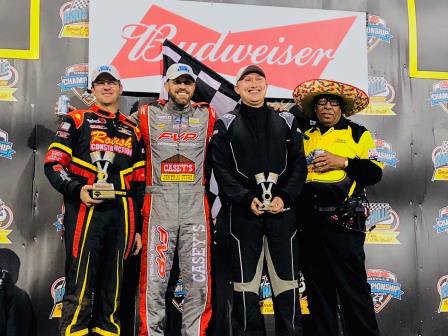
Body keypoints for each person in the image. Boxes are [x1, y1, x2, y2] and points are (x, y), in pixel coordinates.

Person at [44, 65, 145, 336]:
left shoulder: (133, 129)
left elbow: (139, 182)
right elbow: (53, 164)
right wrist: (77, 190)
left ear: (121, 88)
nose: (106, 87)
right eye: (100, 83)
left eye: (111, 82)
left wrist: (137, 228)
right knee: (79, 284)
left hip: (122, 213)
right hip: (86, 210)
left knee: (113, 291)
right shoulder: (76, 120)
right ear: (93, 89)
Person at [210, 64, 307, 335]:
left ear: (266, 85)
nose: (254, 84)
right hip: (243, 217)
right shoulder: (225, 122)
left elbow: (299, 165)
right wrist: (244, 198)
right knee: (245, 289)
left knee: (287, 285)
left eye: (259, 79)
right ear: (238, 88)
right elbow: (222, 169)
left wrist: (284, 197)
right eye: (247, 80)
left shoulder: (287, 121)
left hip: (282, 216)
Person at [292, 79, 383, 336]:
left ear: (342, 108)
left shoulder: (357, 133)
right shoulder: (304, 136)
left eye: (334, 102)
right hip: (309, 226)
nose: (328, 107)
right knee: (318, 294)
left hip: (343, 223)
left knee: (353, 291)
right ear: (315, 108)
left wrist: (342, 161)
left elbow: (374, 173)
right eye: (322, 102)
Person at [137, 63, 215, 336]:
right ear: (166, 85)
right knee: (154, 283)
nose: (183, 87)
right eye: (177, 82)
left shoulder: (208, 115)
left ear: (194, 87)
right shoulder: (146, 114)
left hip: (196, 208)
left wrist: (281, 110)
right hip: (160, 206)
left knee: (198, 282)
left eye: (188, 83)